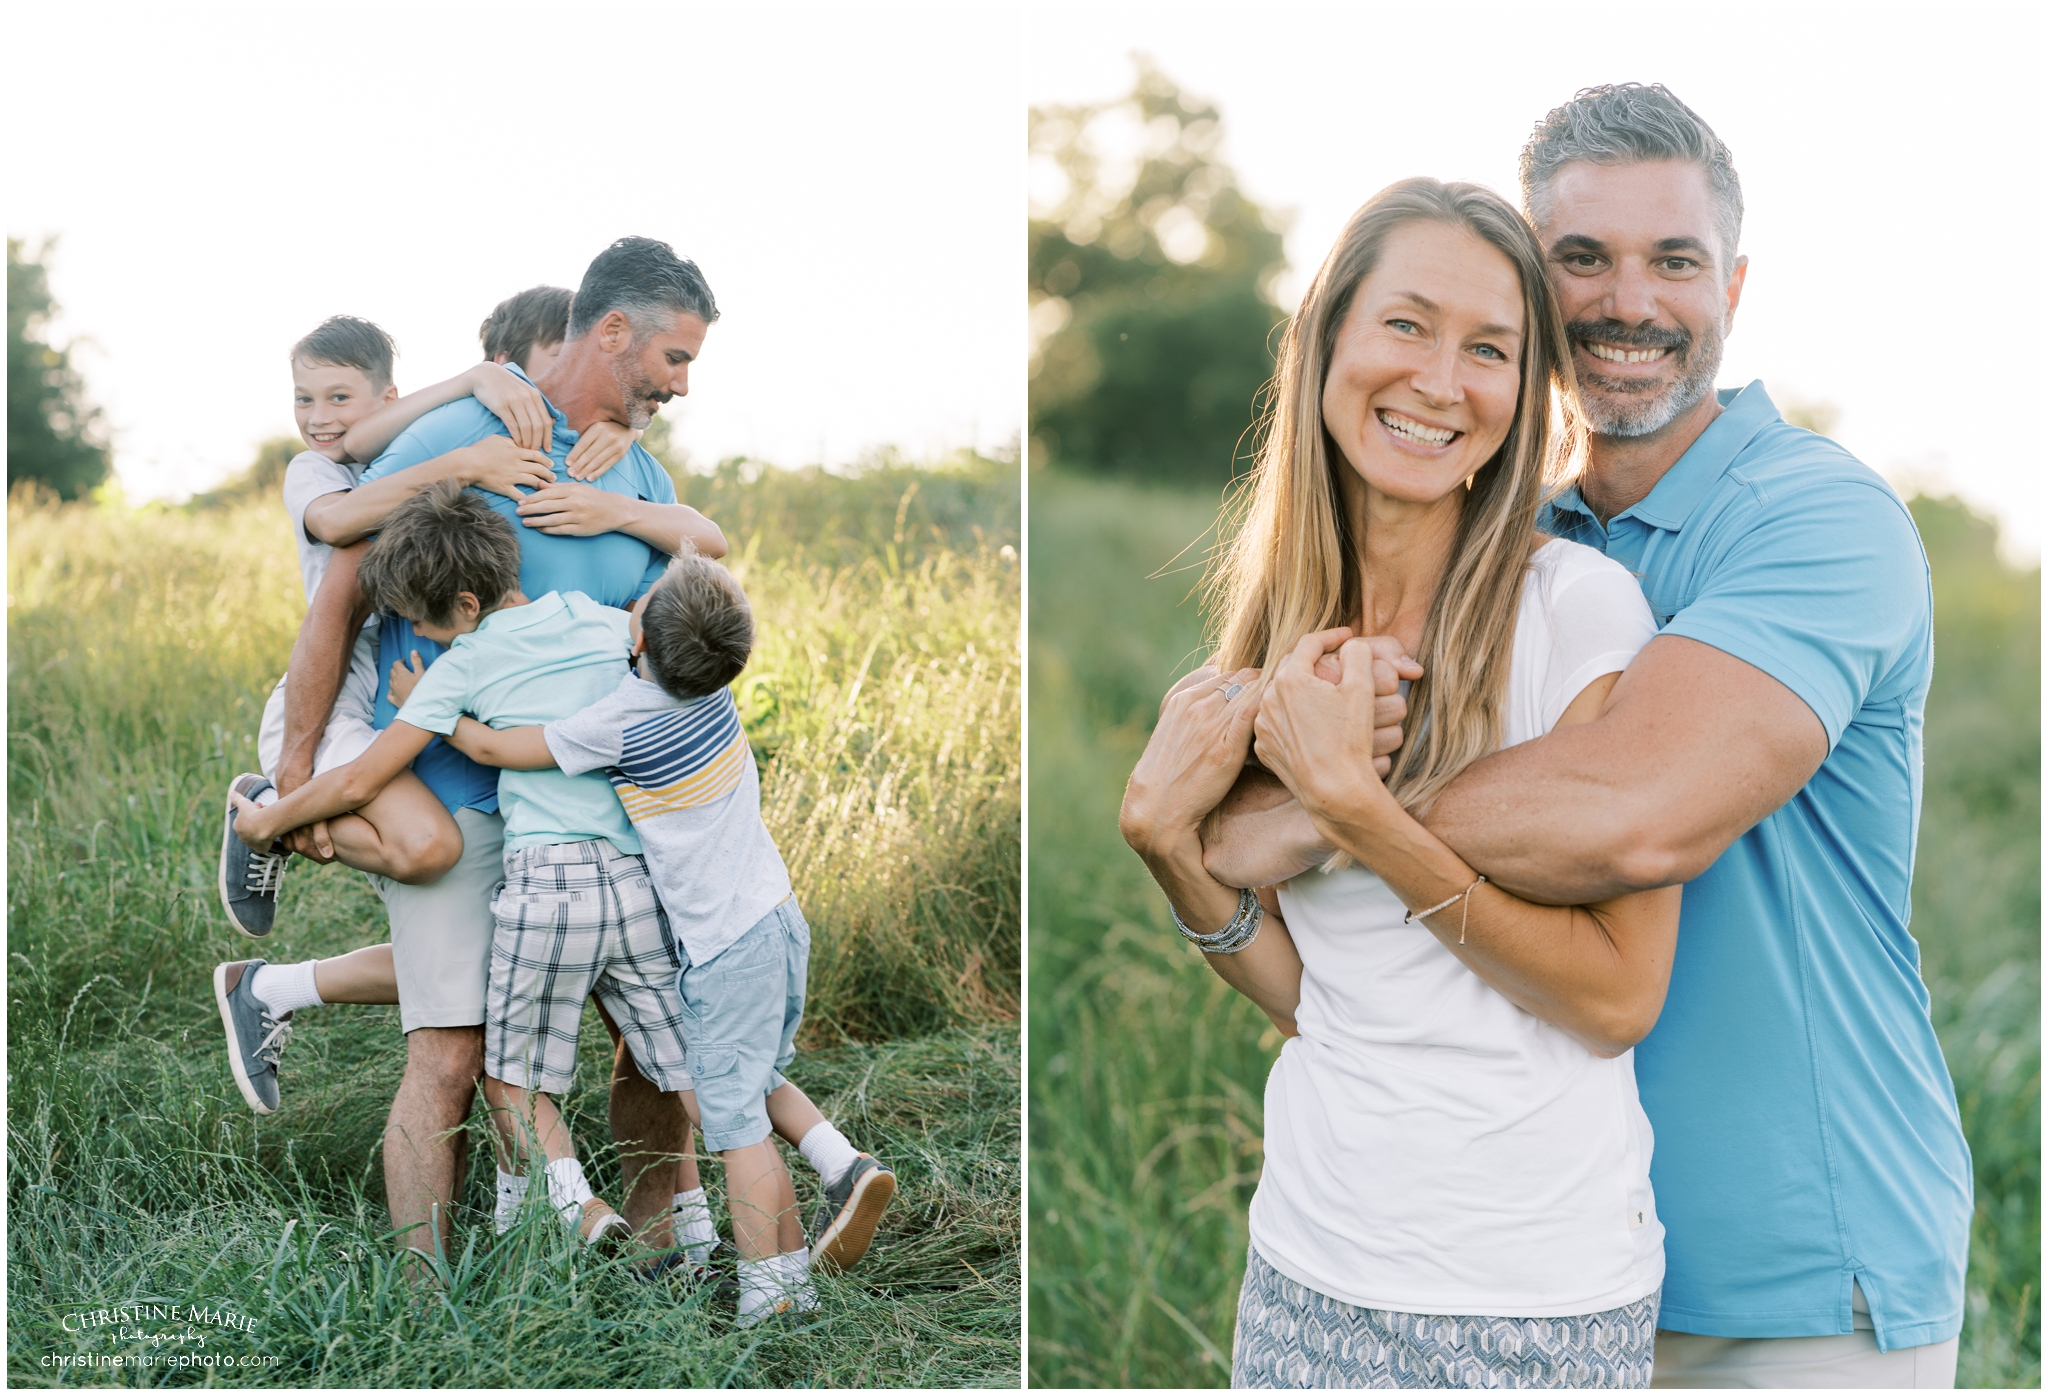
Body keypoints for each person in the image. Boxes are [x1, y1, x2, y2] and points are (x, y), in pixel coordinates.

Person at [1212, 85, 1972, 1389]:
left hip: (1794, 1281)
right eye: (1583, 259)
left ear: (1732, 283)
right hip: (1546, 1242)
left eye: (1673, 261)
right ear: (1532, 293)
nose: (1631, 299)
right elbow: (1367, 979)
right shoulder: (1518, 561)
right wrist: (1213, 856)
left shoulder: (1818, 520)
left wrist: (1311, 813)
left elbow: (1639, 811)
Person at [1122, 178, 1676, 1389]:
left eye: (1488, 349)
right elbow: (1315, 1003)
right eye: (1406, 325)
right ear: (1325, 339)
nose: (1438, 380)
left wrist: (1354, 816)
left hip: (1529, 1301)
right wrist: (1168, 845)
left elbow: (1617, 998)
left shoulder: (1573, 616)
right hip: (1306, 1273)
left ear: (1523, 400)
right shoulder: (1286, 636)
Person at [442, 549, 898, 1278]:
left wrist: (443, 713)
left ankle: (772, 1293)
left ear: (643, 639)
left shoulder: (621, 721)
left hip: (722, 948)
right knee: (743, 1078)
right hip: (780, 919)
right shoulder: (715, 694)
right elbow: (696, 580)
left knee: (738, 1129)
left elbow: (500, 746)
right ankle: (837, 1161)